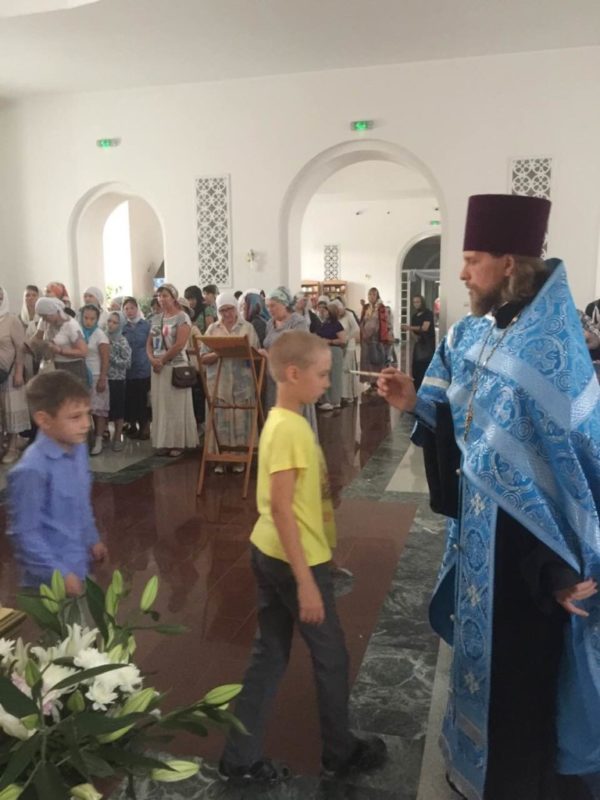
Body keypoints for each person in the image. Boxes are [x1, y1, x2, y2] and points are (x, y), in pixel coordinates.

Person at [378, 194, 600, 800]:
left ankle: (513, 784)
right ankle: (472, 765)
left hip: (531, 556)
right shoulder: (477, 333)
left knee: (522, 680)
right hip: (481, 537)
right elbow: (468, 428)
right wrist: (414, 403)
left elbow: (569, 467)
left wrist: (556, 568)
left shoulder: (550, 349)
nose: (461, 273)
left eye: (472, 259)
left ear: (508, 263)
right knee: (480, 665)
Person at [219, 330, 387, 783]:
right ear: (293, 374)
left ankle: (239, 758)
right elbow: (281, 507)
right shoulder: (291, 428)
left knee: (270, 654)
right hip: (294, 561)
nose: (327, 383)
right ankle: (339, 753)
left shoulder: (282, 420)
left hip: (270, 550)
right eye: (322, 374)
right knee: (332, 657)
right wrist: (307, 581)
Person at [7, 370, 107, 594]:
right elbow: (25, 533)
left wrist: (92, 539)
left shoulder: (78, 449)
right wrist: (60, 574)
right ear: (44, 420)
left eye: (87, 414)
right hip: (46, 585)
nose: (86, 424)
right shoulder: (32, 469)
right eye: (75, 417)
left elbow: (81, 504)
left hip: (79, 566)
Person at [200, 292, 260, 474]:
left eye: (230, 309)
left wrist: (241, 351)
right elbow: (203, 357)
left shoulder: (247, 328)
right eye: (223, 310)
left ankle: (240, 458)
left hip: (242, 383)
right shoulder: (212, 329)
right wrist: (219, 353)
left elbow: (256, 354)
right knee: (220, 421)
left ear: (236, 308)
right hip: (219, 384)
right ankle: (220, 459)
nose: (227, 314)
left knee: (241, 419)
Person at [146, 284, 199, 457]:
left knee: (176, 406)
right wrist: (152, 359)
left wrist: (162, 360)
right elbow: (149, 342)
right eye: (159, 296)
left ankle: (178, 442)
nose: (161, 299)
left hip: (175, 366)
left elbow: (179, 344)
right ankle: (164, 442)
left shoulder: (182, 317)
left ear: (174, 297)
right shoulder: (156, 318)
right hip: (158, 368)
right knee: (161, 406)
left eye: (165, 295)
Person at [262, 287, 310, 421]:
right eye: (267, 306)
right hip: (273, 378)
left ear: (284, 304)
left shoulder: (298, 322)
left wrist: (269, 356)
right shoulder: (270, 324)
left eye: (273, 306)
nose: (269, 309)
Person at [0, 287, 30, 465]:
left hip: (10, 373)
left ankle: (12, 446)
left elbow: (20, 348)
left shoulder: (12, 321)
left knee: (11, 409)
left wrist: (19, 372)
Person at [33, 297, 88, 384]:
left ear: (53, 313)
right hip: (54, 365)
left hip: (72, 367)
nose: (43, 319)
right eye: (42, 317)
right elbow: (37, 337)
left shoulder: (71, 326)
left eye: (45, 316)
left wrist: (60, 351)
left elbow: (83, 352)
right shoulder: (46, 322)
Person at [79, 304, 110, 456]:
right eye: (86, 318)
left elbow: (105, 359)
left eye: (92, 319)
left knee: (98, 410)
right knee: (85, 410)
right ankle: (86, 440)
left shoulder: (100, 335)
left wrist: (102, 378)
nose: (88, 321)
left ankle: (99, 440)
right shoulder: (78, 333)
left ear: (97, 319)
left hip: (97, 375)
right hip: (82, 375)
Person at [122, 297, 151, 439]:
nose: (129, 311)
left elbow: (151, 344)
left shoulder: (146, 325)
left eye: (132, 308)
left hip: (143, 366)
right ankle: (132, 425)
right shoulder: (123, 327)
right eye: (126, 309)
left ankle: (145, 426)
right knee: (130, 398)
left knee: (142, 398)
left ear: (137, 308)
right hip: (127, 368)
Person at [106, 311, 132, 451]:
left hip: (117, 380)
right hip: (103, 378)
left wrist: (111, 356)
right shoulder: (102, 337)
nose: (111, 324)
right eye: (109, 321)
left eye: (115, 322)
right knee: (103, 409)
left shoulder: (122, 341)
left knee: (118, 410)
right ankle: (103, 433)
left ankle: (117, 437)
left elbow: (127, 363)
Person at [359, 287, 392, 394]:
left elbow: (384, 324)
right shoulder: (366, 308)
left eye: (374, 294)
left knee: (376, 362)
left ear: (377, 296)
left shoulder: (382, 308)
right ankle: (371, 384)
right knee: (367, 363)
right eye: (369, 294)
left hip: (376, 340)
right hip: (366, 340)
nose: (371, 297)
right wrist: (363, 333)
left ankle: (378, 385)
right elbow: (362, 322)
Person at [315, 302, 346, 411]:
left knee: (334, 377)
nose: (323, 311)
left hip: (334, 351)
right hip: (324, 351)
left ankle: (335, 400)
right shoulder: (324, 323)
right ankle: (326, 400)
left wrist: (329, 341)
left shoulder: (336, 324)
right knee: (326, 375)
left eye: (326, 310)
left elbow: (343, 340)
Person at [402, 294, 436, 390]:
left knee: (425, 366)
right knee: (416, 367)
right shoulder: (414, 316)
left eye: (418, 302)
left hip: (428, 344)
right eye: (414, 302)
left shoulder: (428, 313)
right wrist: (413, 334)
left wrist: (409, 328)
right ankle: (417, 389)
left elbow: (425, 328)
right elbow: (414, 332)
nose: (416, 304)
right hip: (419, 345)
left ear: (422, 302)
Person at [335, 299, 360, 404]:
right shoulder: (336, 317)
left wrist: (348, 337)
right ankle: (341, 394)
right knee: (341, 371)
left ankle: (349, 395)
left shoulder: (349, 315)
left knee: (347, 370)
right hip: (340, 346)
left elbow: (356, 329)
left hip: (349, 346)